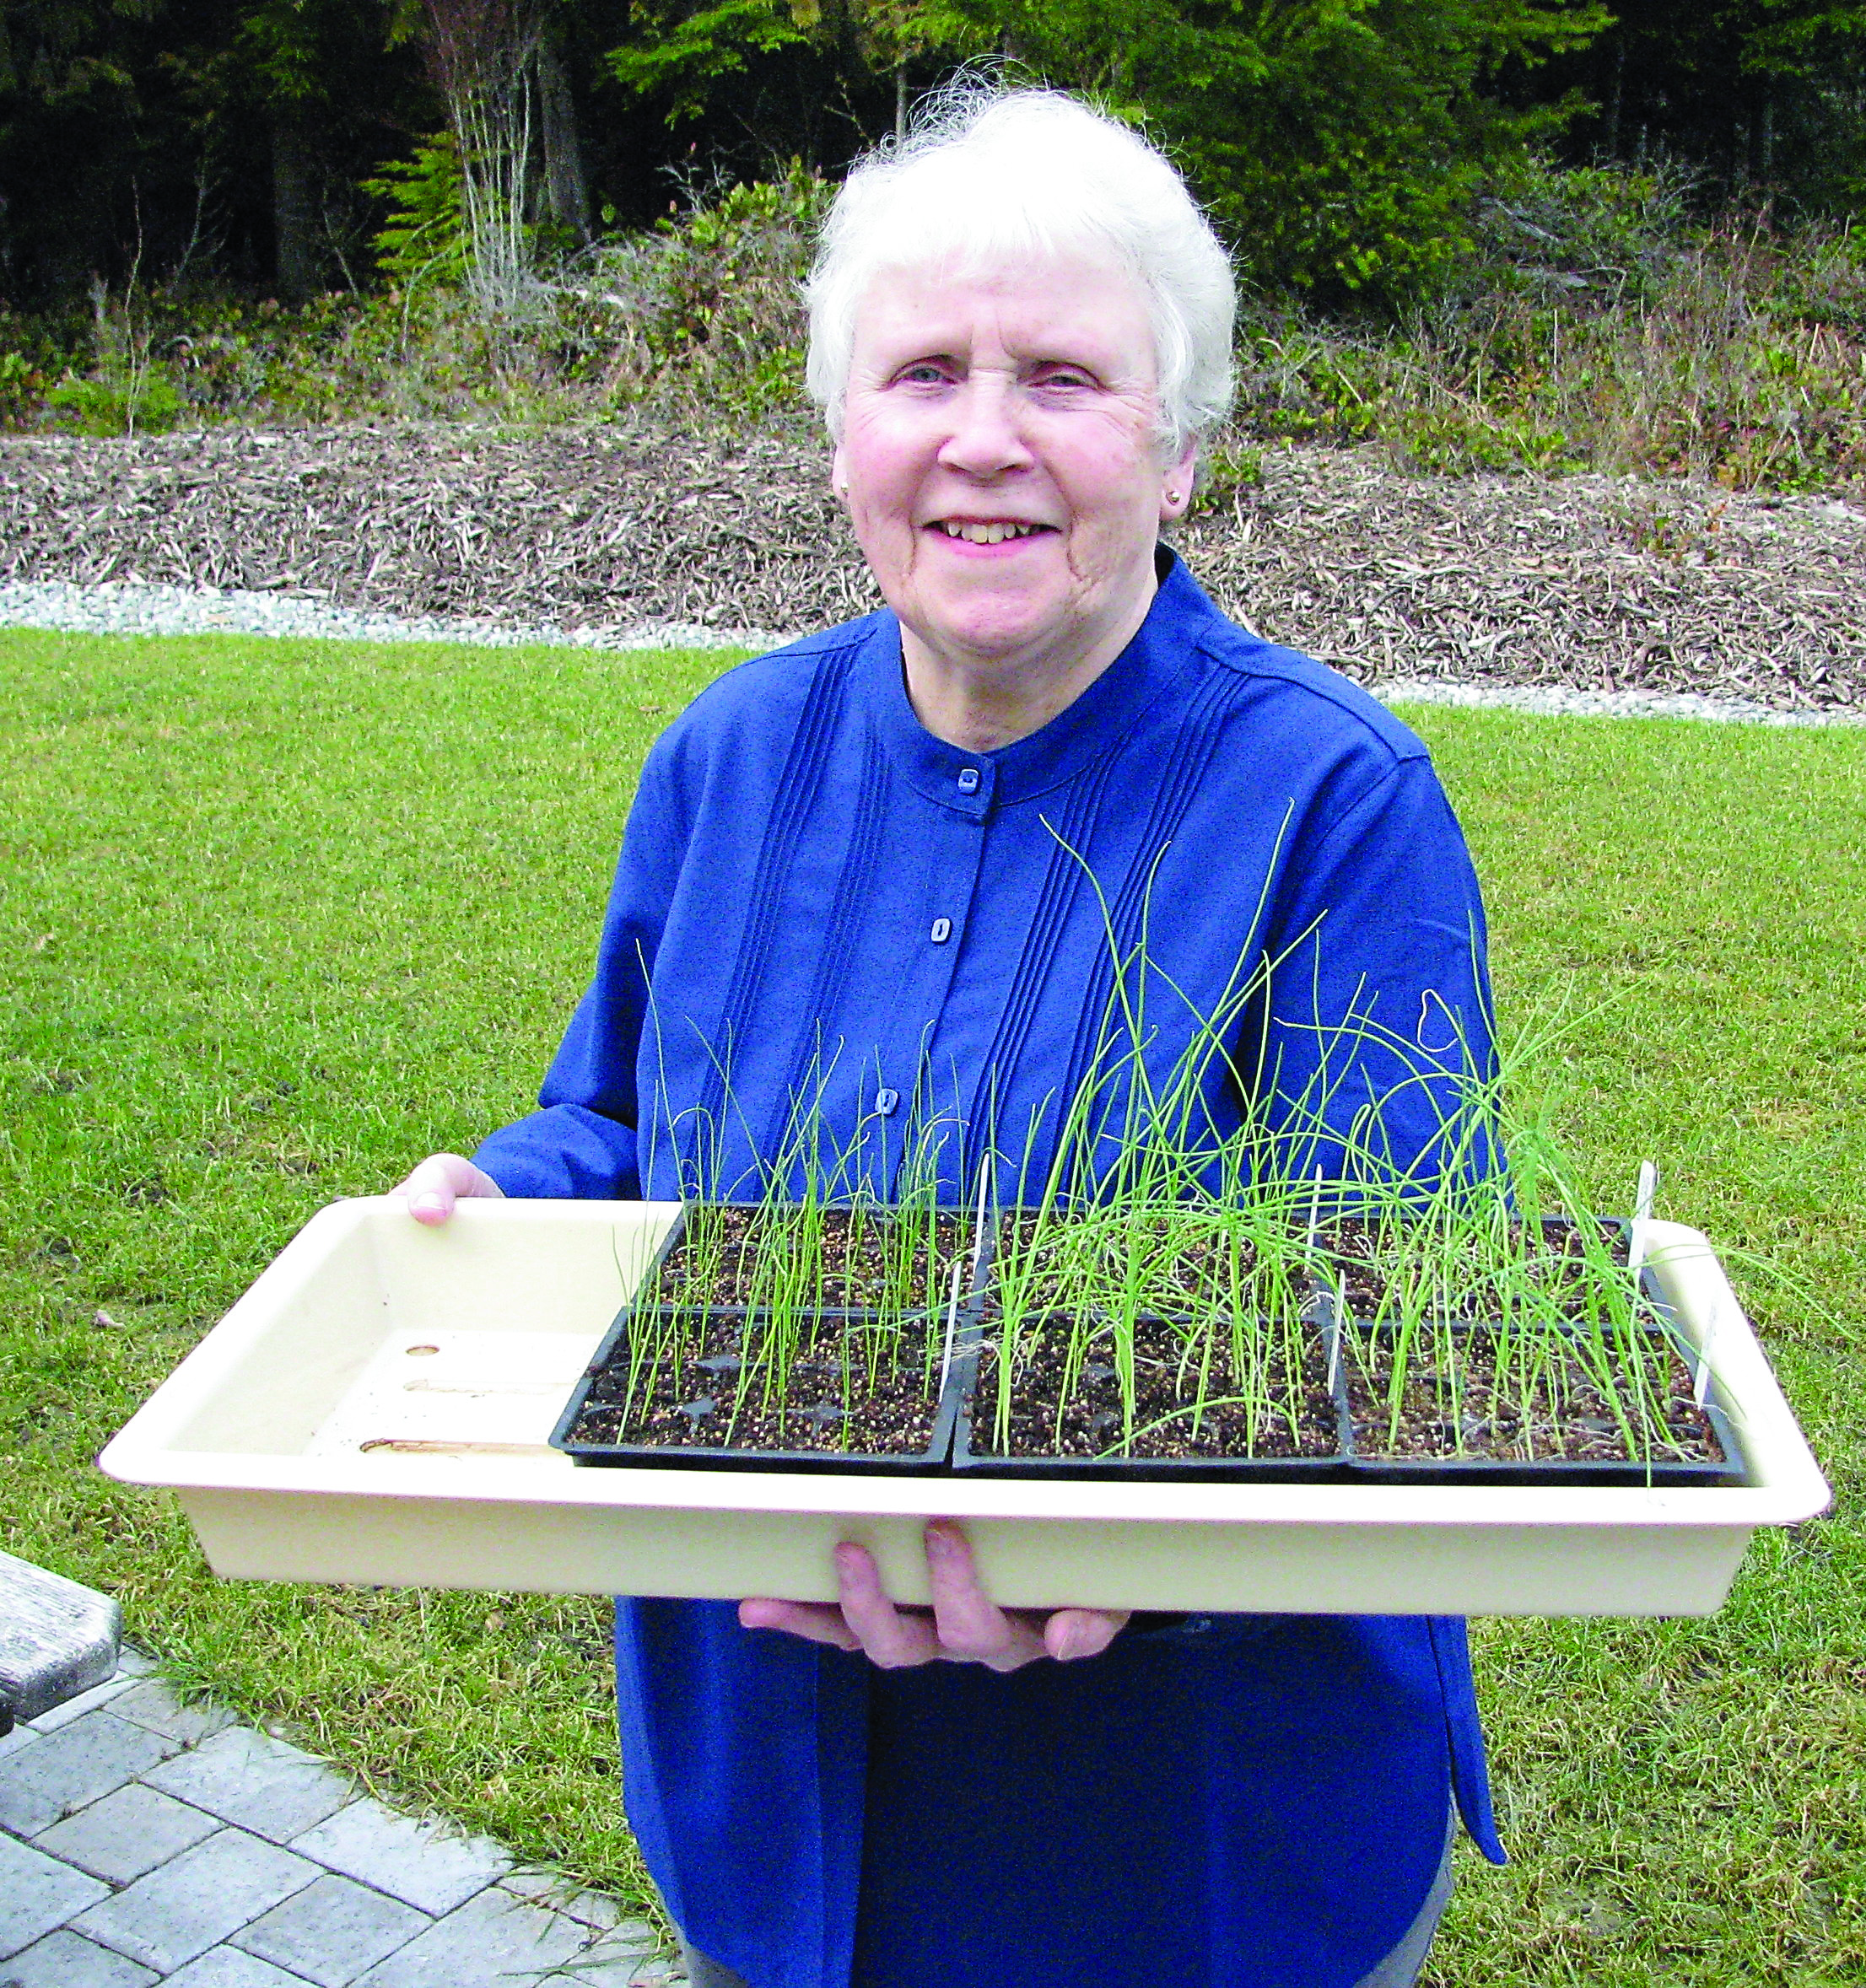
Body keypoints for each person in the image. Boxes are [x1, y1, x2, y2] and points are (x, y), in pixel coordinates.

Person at [395, 86, 1505, 1988]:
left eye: (1062, 377)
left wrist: (1119, 1557)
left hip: (1182, 1855)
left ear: (1177, 454)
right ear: (843, 435)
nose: (982, 438)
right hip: (771, 1808)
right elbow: (627, 1123)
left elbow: (1397, 1318)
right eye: (922, 373)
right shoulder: (729, 756)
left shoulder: (1331, 800)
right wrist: (499, 1199)